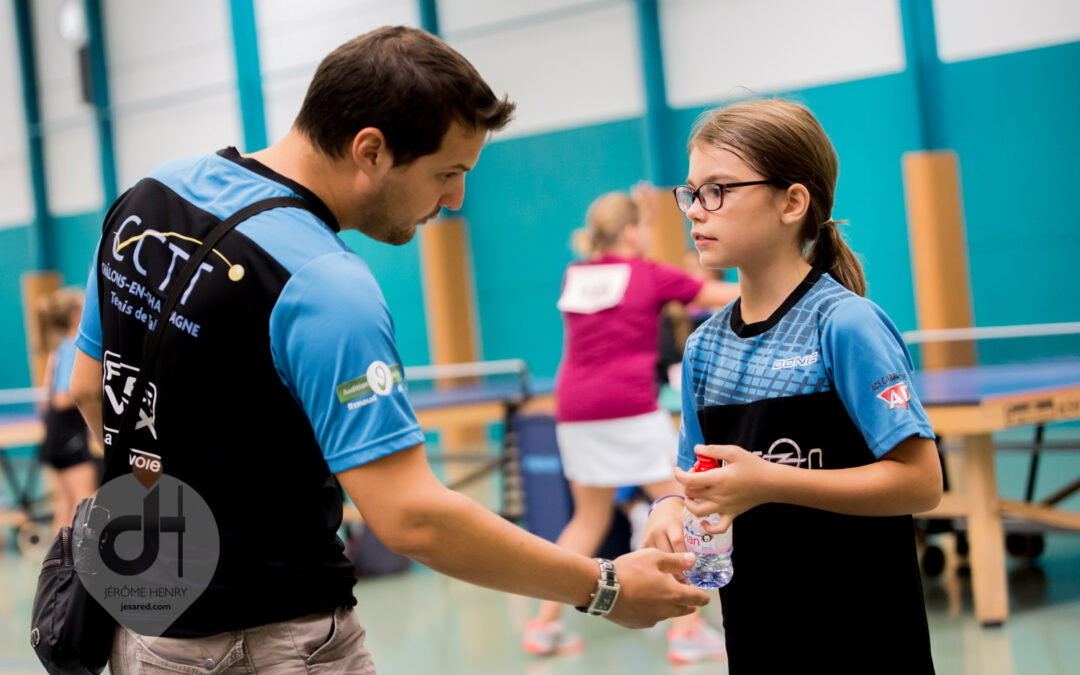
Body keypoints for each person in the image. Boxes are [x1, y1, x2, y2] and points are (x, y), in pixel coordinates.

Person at [68, 26, 709, 672]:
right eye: (447, 173)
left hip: (145, 631)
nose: (455, 199)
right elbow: (412, 518)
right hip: (271, 641)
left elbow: (87, 389)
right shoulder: (325, 285)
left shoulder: (150, 197)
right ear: (370, 150)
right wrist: (604, 587)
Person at [643, 98, 943, 674]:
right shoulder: (704, 346)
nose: (695, 211)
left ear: (792, 202)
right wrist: (669, 507)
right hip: (759, 637)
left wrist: (772, 483)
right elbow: (698, 484)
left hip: (865, 638)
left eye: (719, 190)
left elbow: (921, 483)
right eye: (691, 192)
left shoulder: (845, 324)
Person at [522, 188, 737, 663]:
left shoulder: (576, 273)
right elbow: (718, 293)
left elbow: (621, 272)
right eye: (642, 225)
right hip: (630, 408)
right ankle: (686, 631)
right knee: (682, 508)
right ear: (631, 232)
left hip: (575, 409)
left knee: (589, 518)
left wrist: (643, 217)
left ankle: (541, 627)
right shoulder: (648, 274)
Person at [36, 288, 96, 535]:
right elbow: (61, 399)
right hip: (68, 435)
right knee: (85, 502)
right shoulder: (74, 348)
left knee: (65, 505)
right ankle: (77, 568)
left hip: (56, 434)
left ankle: (57, 568)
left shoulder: (59, 348)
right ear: (74, 315)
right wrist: (92, 390)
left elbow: (43, 400)